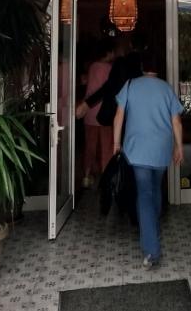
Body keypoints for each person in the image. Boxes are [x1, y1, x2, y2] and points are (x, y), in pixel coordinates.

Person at [113, 50, 184, 268]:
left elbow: (119, 115)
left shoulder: (130, 86)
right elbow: (176, 122)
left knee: (144, 193)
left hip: (138, 148)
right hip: (161, 148)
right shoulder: (166, 88)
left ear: (142, 67)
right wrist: (179, 147)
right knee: (155, 190)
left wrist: (116, 142)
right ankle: (152, 231)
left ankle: (151, 249)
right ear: (158, 68)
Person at [76, 38, 116, 187]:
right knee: (106, 148)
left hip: (89, 112)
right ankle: (106, 178)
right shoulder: (110, 69)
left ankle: (86, 176)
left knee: (90, 147)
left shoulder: (92, 67)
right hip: (105, 114)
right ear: (109, 52)